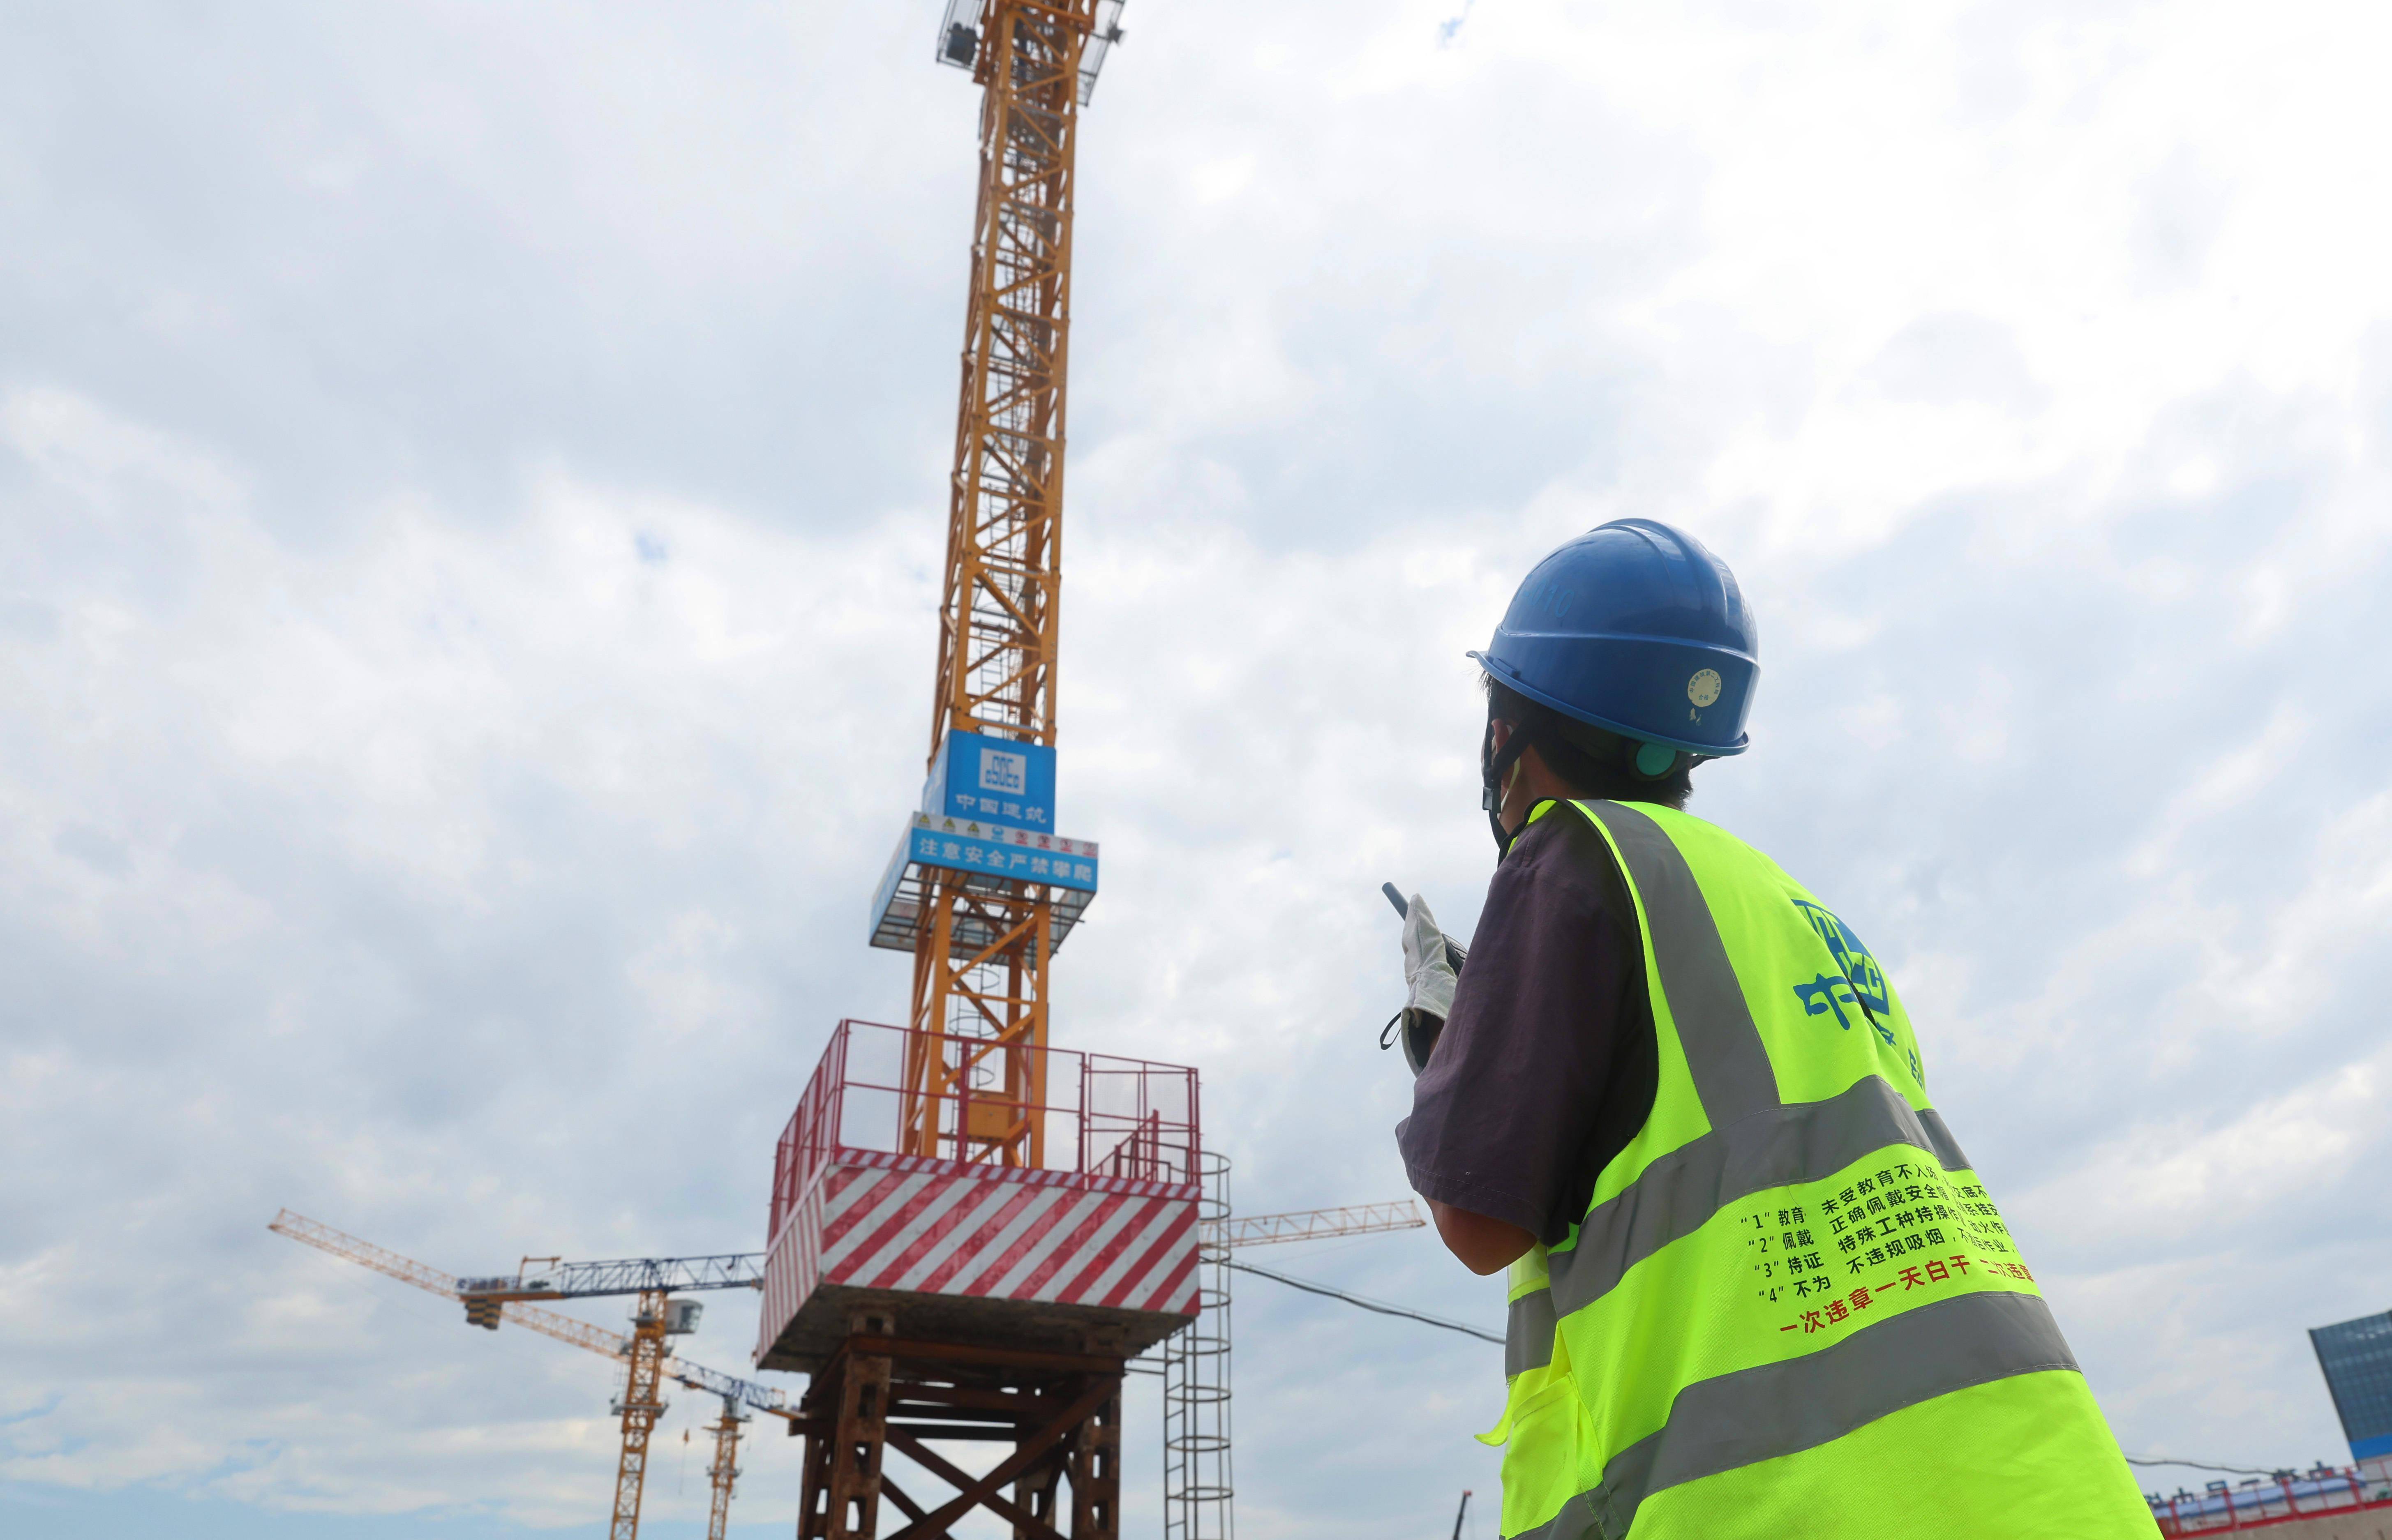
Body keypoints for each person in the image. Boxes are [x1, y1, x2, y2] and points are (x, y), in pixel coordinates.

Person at [1392, 519, 2151, 1539]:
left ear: (1507, 731)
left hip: (1780, 1507)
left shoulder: (1568, 857)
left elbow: (1479, 1224)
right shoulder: (1801, 913)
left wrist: (1445, 1046)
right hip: (2041, 1490)